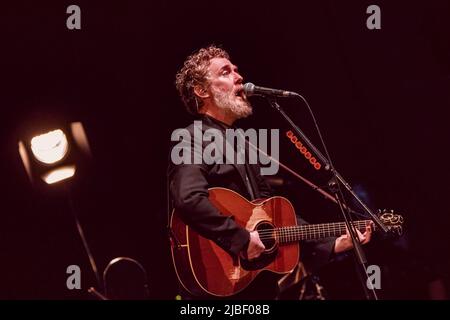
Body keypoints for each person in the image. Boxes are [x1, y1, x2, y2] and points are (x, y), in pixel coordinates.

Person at [168, 45, 373, 299]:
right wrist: (240, 239)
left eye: (236, 69)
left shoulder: (242, 142)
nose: (238, 76)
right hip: (218, 285)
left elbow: (273, 214)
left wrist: (332, 242)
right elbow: (188, 198)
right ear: (201, 91)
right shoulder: (191, 138)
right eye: (225, 72)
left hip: (257, 288)